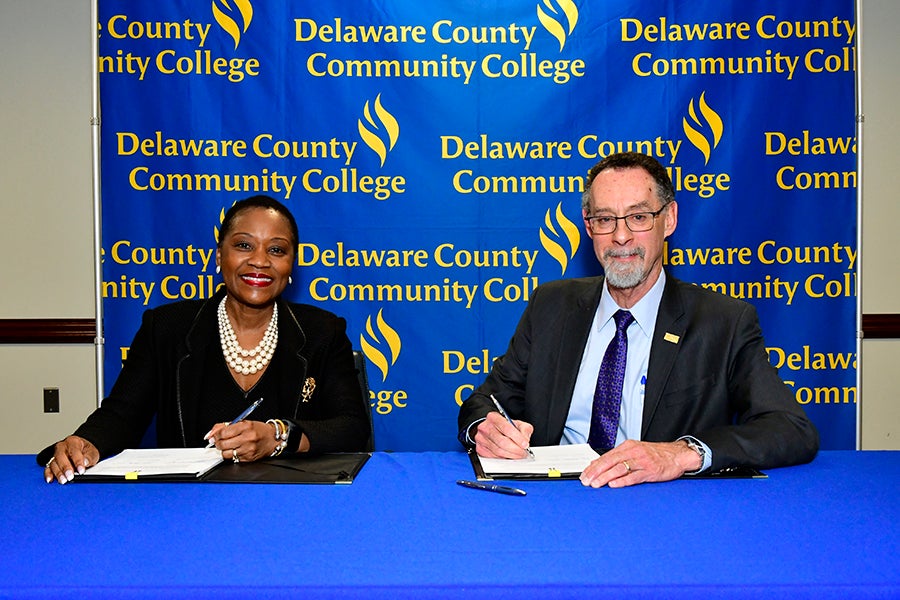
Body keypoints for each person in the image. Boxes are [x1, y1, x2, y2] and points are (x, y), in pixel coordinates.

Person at [458, 152, 819, 488]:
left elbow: (791, 428)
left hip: (666, 516)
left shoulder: (722, 322)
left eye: (638, 217)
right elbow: (486, 401)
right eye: (604, 219)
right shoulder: (550, 306)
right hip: (558, 506)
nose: (620, 235)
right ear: (588, 227)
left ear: (670, 219)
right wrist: (484, 429)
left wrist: (680, 453)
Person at [39, 195, 369, 484]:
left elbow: (353, 428)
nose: (259, 260)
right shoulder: (166, 328)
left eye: (277, 250)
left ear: (291, 264)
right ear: (218, 257)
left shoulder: (323, 331)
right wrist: (86, 441)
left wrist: (279, 436)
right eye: (243, 245)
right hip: (187, 507)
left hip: (290, 503)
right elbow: (122, 415)